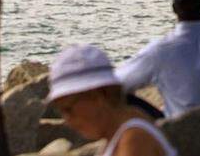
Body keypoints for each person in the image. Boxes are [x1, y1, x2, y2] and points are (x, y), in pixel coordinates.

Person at [47, 44, 177, 156]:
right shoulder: (118, 134)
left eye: (68, 109)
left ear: (100, 96)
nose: (67, 121)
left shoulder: (134, 139)